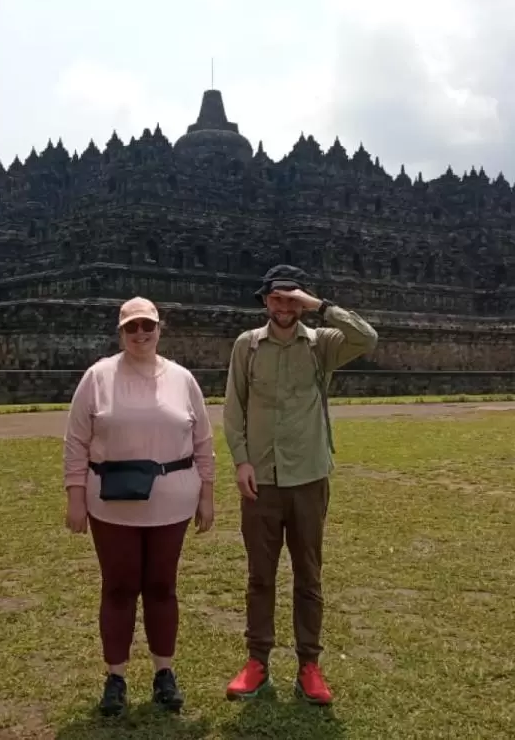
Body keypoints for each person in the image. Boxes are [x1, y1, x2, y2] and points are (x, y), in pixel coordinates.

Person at [222, 264, 379, 705]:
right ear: (265, 301)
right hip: (263, 480)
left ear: (302, 302)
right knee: (260, 576)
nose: (284, 306)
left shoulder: (322, 344)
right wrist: (241, 462)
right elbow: (234, 408)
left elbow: (367, 338)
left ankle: (309, 665)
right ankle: (257, 663)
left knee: (309, 575)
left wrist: (322, 307)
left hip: (309, 476)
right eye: (277, 298)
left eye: (292, 299)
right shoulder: (247, 347)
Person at [63, 296, 216, 717]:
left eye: (147, 326)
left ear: (159, 329)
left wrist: (207, 493)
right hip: (112, 501)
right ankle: (116, 676)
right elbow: (76, 441)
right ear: (121, 332)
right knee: (118, 587)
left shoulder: (182, 379)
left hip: (173, 499)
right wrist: (75, 495)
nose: (140, 334)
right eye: (132, 327)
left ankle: (164, 672)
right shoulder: (97, 377)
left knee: (162, 587)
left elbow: (203, 441)